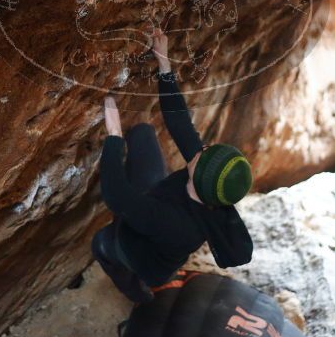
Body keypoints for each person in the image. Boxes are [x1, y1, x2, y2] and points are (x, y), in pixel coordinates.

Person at [92, 28, 254, 303]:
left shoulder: (175, 224)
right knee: (143, 133)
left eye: (202, 154)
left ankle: (135, 292)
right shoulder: (209, 186)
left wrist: (114, 136)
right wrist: (164, 65)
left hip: (142, 256)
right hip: (157, 202)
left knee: (101, 242)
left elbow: (116, 196)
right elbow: (180, 124)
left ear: (197, 177)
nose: (200, 148)